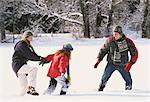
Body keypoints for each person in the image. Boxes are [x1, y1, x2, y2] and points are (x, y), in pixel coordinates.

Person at [94, 26, 138, 91]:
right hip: (111, 63)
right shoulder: (110, 40)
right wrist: (98, 60)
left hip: (123, 64)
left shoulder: (128, 41)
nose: (115, 35)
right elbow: (103, 50)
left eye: (116, 34)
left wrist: (130, 63)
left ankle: (128, 89)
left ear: (120, 34)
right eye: (114, 34)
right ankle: (101, 87)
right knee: (105, 77)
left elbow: (134, 53)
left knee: (128, 79)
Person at [12, 31, 44, 96]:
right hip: (18, 65)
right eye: (30, 37)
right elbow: (29, 55)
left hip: (21, 66)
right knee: (33, 69)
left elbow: (32, 54)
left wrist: (40, 58)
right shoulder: (22, 44)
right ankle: (32, 87)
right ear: (26, 37)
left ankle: (18, 99)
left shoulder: (27, 45)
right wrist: (39, 58)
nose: (32, 38)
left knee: (23, 88)